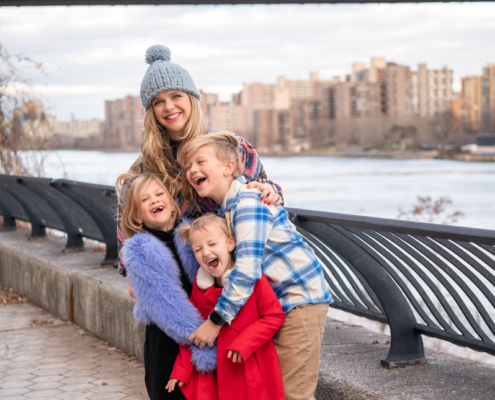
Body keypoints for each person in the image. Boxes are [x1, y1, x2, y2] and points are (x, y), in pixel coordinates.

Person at [117, 44, 284, 400]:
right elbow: (126, 222)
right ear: (151, 111)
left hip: (230, 287)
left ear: (193, 97)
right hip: (174, 293)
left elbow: (261, 193)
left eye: (176, 95)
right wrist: (128, 267)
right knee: (166, 385)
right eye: (157, 102)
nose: (168, 107)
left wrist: (271, 190)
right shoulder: (145, 166)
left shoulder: (231, 147)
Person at [177, 132, 333, 400]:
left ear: (228, 168)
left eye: (200, 162)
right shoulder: (224, 210)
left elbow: (247, 271)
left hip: (299, 301)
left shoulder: (247, 203)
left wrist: (215, 321)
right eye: (188, 166)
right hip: (277, 306)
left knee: (294, 393)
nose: (193, 170)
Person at [117, 172, 217, 400]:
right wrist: (208, 343)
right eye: (145, 199)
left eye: (159, 194)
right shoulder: (137, 251)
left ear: (173, 204)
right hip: (168, 345)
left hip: (203, 336)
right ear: (136, 216)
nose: (154, 200)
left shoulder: (193, 233)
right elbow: (166, 308)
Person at [165, 213, 286, 400]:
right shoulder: (200, 288)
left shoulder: (253, 279)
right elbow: (193, 331)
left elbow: (274, 316)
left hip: (250, 365)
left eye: (212, 244)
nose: (205, 252)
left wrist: (244, 342)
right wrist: (181, 371)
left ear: (230, 244)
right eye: (198, 249)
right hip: (216, 374)